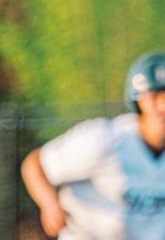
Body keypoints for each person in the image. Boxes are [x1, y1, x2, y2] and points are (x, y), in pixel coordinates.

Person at [21, 52, 165, 239]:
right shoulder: (105, 139)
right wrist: (49, 204)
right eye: (155, 97)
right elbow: (35, 164)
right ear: (140, 102)